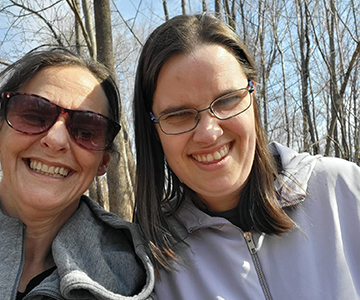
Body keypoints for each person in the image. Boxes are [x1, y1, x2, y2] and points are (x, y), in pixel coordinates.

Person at [133, 13, 360, 300]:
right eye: (178, 114)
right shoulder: (149, 264)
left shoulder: (343, 192)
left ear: (253, 97)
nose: (209, 133)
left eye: (227, 100)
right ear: (153, 129)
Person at [0, 48, 155, 300]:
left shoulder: (135, 277)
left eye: (86, 130)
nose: (55, 139)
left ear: (103, 161)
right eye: (33, 115)